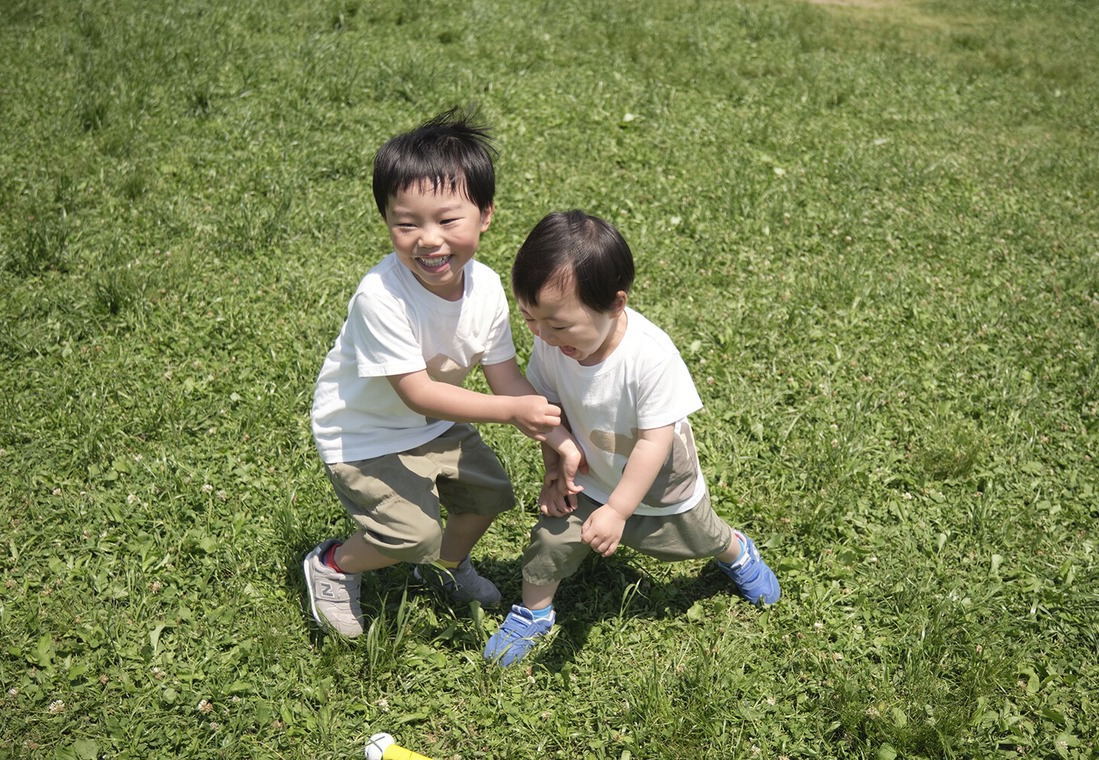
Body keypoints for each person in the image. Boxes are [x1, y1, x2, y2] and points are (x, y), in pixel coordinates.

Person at [304, 109, 581, 638]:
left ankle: (445, 567)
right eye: (406, 224)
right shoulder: (381, 297)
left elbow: (505, 378)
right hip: (363, 436)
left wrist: (557, 436)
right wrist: (510, 411)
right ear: (387, 222)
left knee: (489, 494)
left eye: (447, 220)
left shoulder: (488, 288)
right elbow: (417, 393)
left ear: (485, 215)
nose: (427, 240)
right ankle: (334, 565)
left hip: (433, 425)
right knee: (410, 533)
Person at [484, 210, 780, 666]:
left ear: (616, 304)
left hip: (657, 481)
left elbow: (653, 443)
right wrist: (552, 472)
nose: (541, 334)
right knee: (550, 540)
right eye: (529, 318)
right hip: (589, 476)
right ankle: (534, 612)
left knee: (696, 536)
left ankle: (736, 552)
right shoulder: (550, 340)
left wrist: (620, 510)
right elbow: (548, 410)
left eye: (558, 325)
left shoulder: (650, 358)